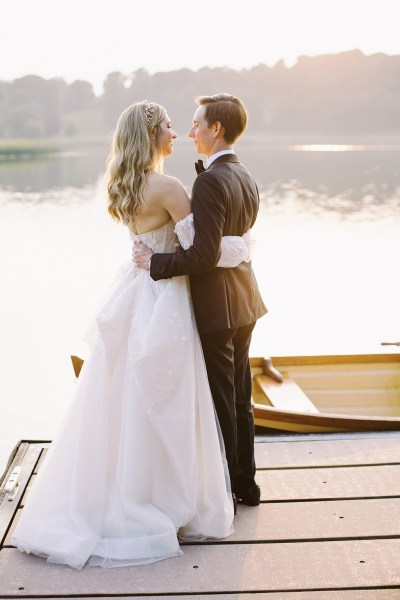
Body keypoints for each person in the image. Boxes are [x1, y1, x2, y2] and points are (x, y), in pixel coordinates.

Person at [11, 101, 252, 570]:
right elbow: (199, 250)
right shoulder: (169, 186)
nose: (175, 133)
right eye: (166, 127)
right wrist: (241, 248)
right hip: (166, 298)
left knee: (122, 396)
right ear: (149, 135)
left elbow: (159, 246)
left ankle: (120, 489)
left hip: (133, 291)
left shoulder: (122, 185)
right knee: (173, 397)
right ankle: (168, 496)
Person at [134, 94, 267, 507]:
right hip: (246, 300)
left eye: (196, 124)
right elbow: (235, 242)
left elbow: (204, 255)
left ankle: (225, 484)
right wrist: (240, 249)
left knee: (221, 397)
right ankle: (248, 483)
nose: (190, 132)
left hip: (218, 305)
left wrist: (155, 262)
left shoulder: (209, 180)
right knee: (240, 396)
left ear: (217, 129)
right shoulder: (244, 174)